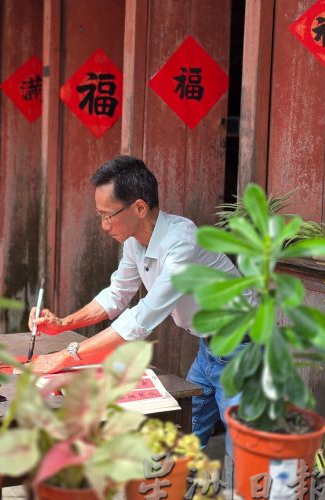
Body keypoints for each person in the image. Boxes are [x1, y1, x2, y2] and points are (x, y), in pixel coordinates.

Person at [28, 155, 244, 454]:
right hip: (210, 348)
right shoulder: (133, 242)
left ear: (140, 208)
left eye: (108, 215)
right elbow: (116, 295)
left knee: (245, 445)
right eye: (99, 215)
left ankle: (253, 498)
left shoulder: (181, 242)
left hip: (242, 347)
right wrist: (63, 324)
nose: (104, 226)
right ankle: (177, 496)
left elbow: (143, 316)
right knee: (184, 433)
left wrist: (66, 355)